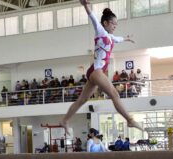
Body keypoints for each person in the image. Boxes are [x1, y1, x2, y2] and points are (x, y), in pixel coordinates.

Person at [60, 0, 142, 134]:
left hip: (95, 71)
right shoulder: (100, 31)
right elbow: (92, 17)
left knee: (83, 100)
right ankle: (130, 120)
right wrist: (86, 6)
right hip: (97, 71)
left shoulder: (110, 37)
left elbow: (118, 39)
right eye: (113, 23)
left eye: (116, 24)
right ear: (105, 23)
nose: (115, 26)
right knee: (114, 93)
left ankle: (64, 120)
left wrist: (126, 38)